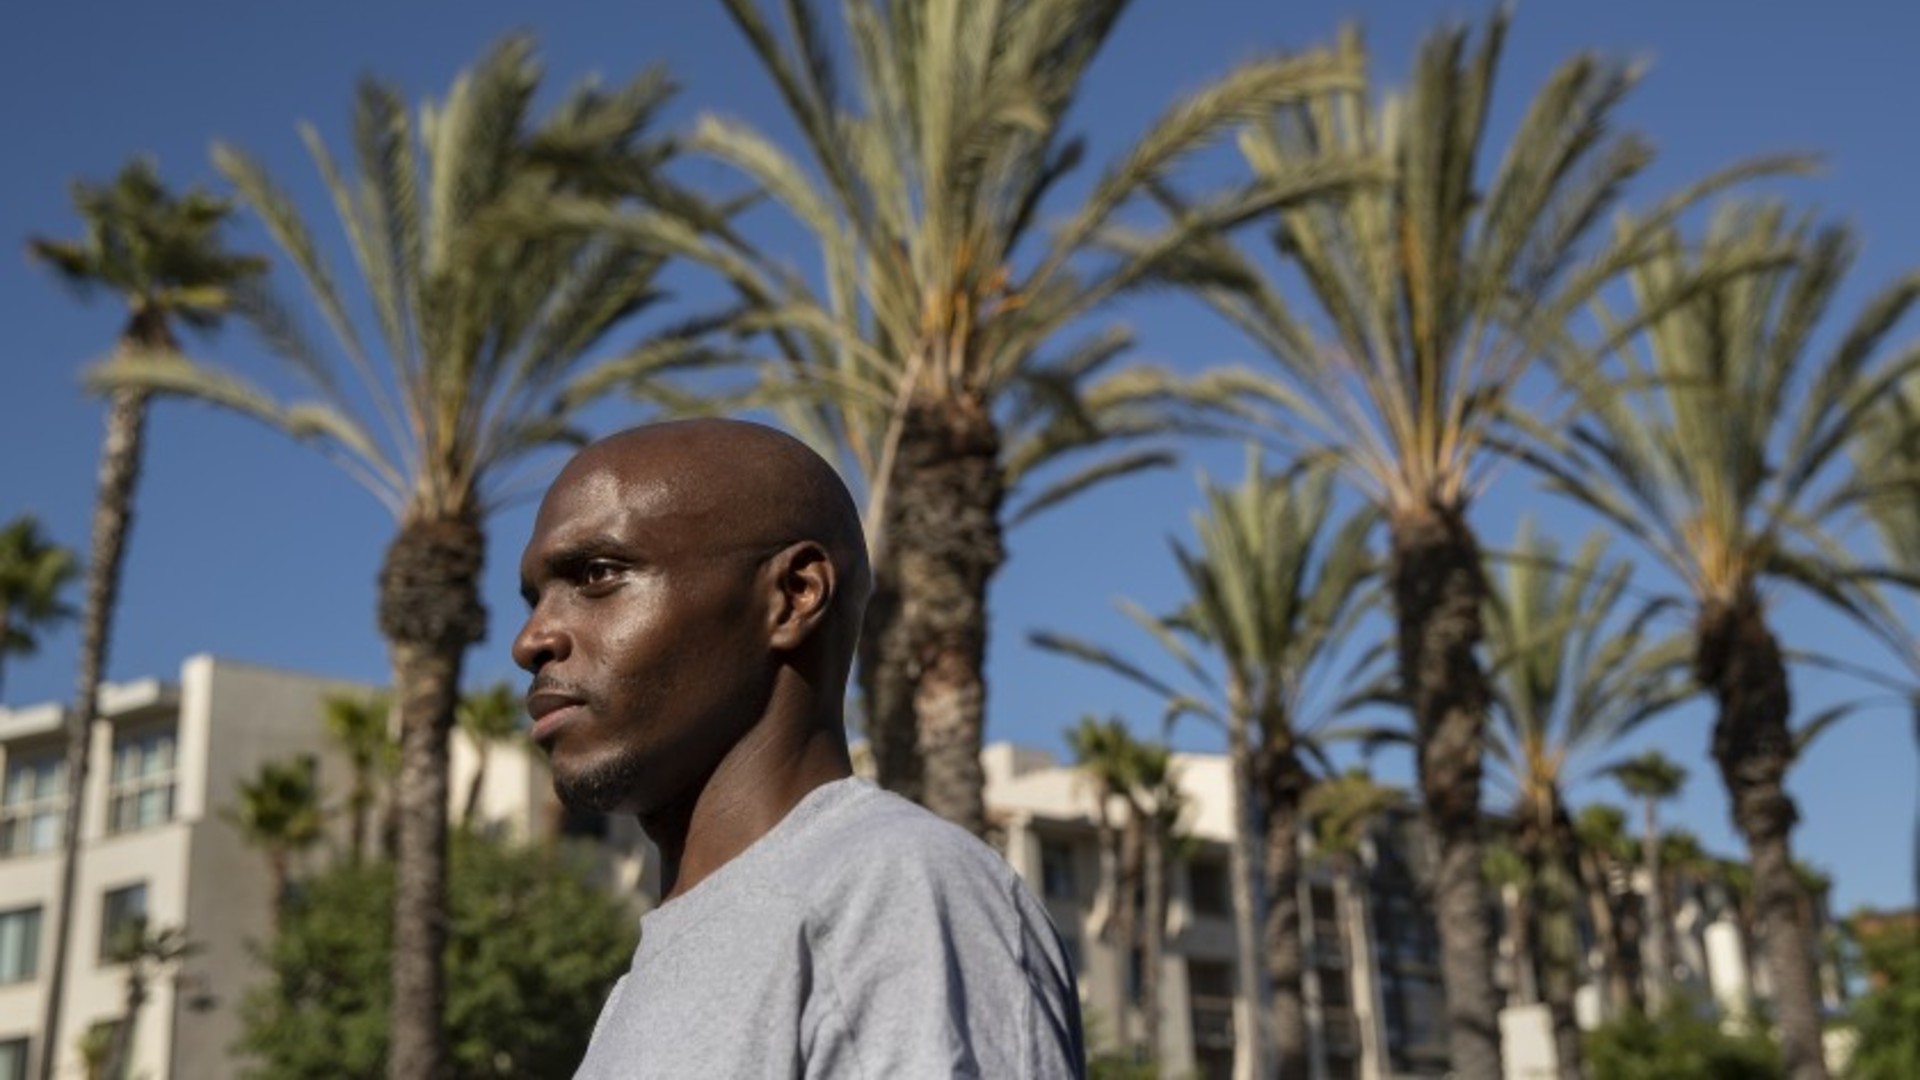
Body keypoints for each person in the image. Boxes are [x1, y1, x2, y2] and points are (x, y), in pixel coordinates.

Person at [512, 418, 1085, 1079]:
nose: (531, 639)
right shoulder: (651, 979)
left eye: (598, 574)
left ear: (793, 596)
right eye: (535, 599)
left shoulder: (891, 892)